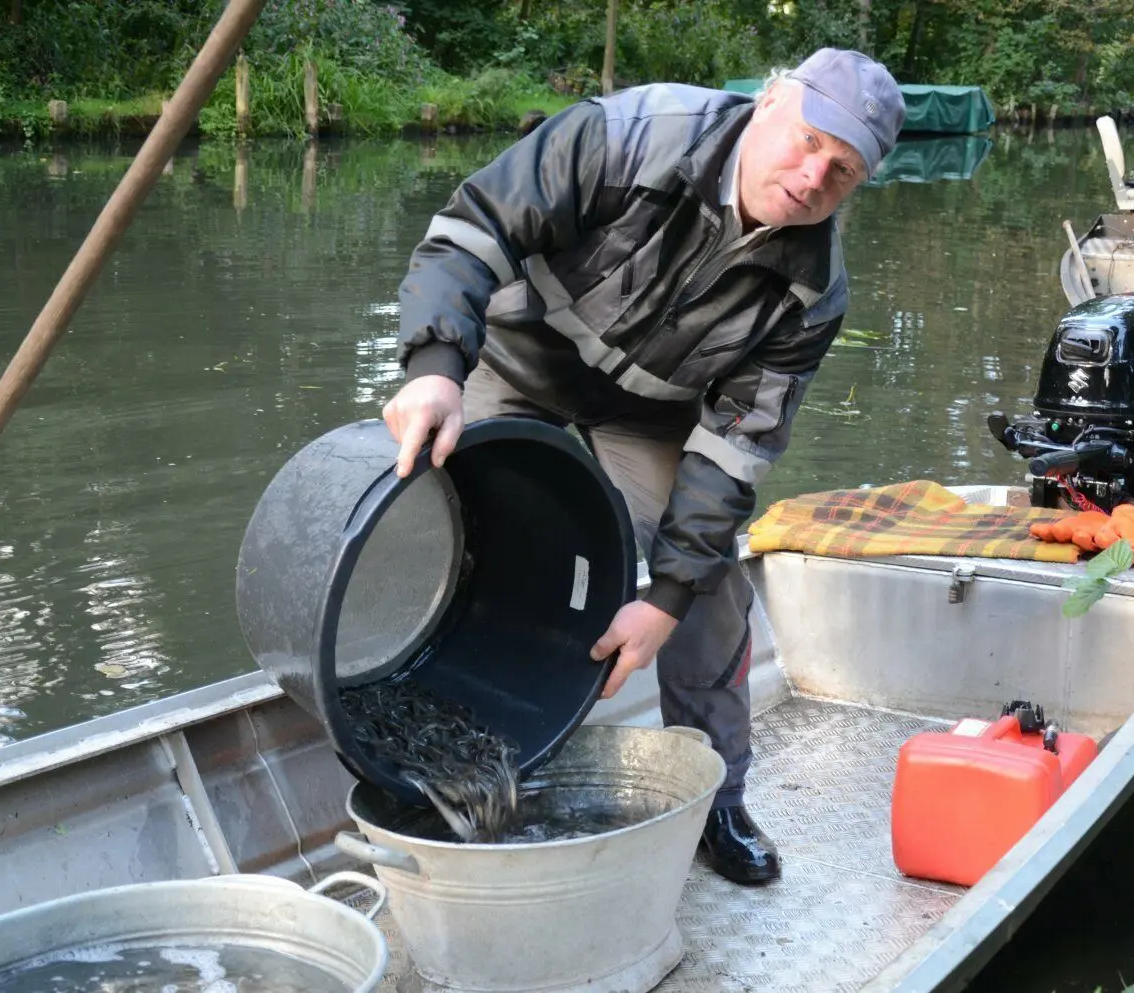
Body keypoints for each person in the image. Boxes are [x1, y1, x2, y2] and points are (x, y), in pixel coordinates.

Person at [381, 49, 904, 884]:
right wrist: (435, 367)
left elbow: (736, 446)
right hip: (515, 359)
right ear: (770, 101)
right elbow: (473, 230)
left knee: (706, 581)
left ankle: (717, 798)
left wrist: (664, 598)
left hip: (653, 411)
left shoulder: (813, 292)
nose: (813, 177)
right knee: (460, 521)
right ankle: (464, 768)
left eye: (842, 171)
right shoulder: (630, 134)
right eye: (809, 141)